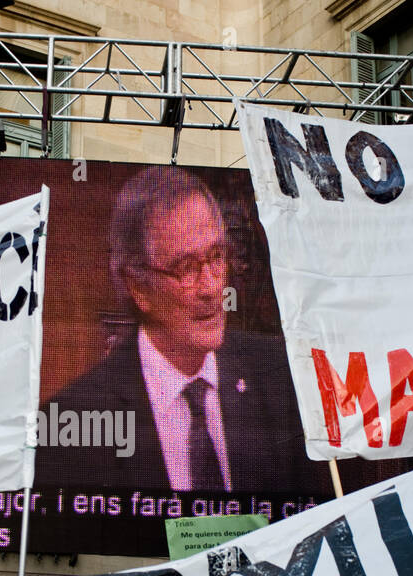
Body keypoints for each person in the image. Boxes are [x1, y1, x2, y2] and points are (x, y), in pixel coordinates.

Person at [34, 166, 311, 493]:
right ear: (139, 288)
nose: (211, 287)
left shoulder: (280, 375)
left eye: (216, 256)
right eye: (187, 268)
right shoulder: (73, 418)